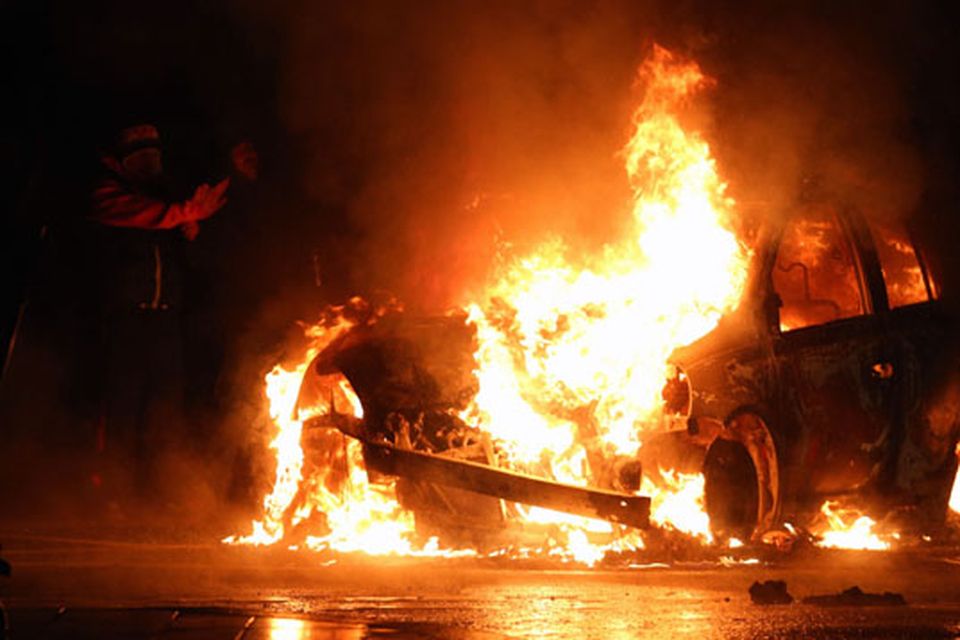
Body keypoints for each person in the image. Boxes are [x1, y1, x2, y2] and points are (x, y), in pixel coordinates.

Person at [88, 123, 229, 506]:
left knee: (166, 409)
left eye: (155, 154)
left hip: (165, 320)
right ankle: (112, 496)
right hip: (126, 320)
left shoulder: (166, 200)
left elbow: (195, 261)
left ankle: (161, 492)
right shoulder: (109, 195)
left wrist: (192, 231)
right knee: (122, 409)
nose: (150, 162)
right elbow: (145, 215)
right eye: (141, 155)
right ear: (126, 161)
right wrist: (181, 212)